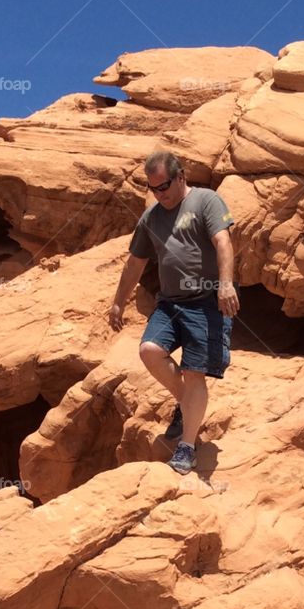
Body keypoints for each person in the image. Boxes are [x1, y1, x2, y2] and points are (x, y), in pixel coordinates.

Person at [108, 150, 239, 475]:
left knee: (195, 372)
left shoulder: (206, 201)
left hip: (207, 301)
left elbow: (223, 241)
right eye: (154, 189)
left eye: (164, 186)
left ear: (181, 177)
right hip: (171, 303)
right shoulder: (152, 218)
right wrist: (118, 301)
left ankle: (187, 448)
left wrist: (225, 285)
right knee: (149, 350)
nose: (160, 194)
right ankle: (186, 403)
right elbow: (135, 263)